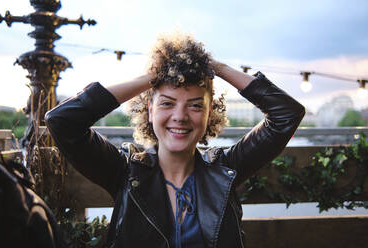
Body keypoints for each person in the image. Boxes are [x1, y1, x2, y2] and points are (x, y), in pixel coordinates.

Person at [45, 32, 305, 248]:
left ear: (209, 114)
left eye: (195, 106)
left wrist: (218, 69)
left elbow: (286, 115)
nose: (179, 117)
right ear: (149, 110)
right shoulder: (124, 171)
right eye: (167, 104)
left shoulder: (227, 169)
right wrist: (152, 77)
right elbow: (63, 121)